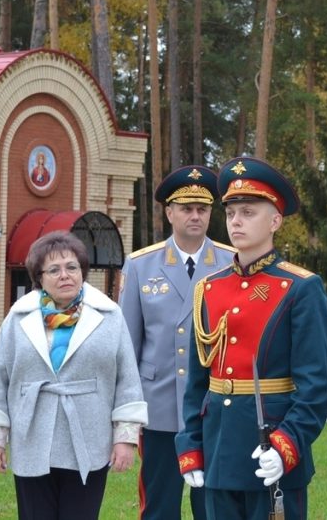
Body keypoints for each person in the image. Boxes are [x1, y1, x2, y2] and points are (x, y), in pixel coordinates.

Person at [176, 157, 327, 520]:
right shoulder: (209, 289)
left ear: (275, 221)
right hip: (218, 449)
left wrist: (285, 446)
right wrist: (191, 446)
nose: (236, 221)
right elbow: (197, 384)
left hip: (270, 448)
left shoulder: (300, 288)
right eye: (231, 213)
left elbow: (315, 388)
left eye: (248, 212)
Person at [0, 231, 148, 519]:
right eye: (54, 269)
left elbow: (128, 382)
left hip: (88, 440)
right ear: (39, 277)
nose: (64, 275)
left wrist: (125, 438)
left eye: (72, 267)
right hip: (32, 439)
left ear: (82, 272)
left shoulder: (109, 316)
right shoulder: (18, 319)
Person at [119, 165, 236, 520]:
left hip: (214, 406)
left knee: (214, 507)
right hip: (160, 410)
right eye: (186, 208)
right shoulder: (141, 265)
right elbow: (128, 346)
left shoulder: (231, 263)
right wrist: (128, 410)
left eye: (202, 209)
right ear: (169, 213)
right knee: (159, 508)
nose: (195, 216)